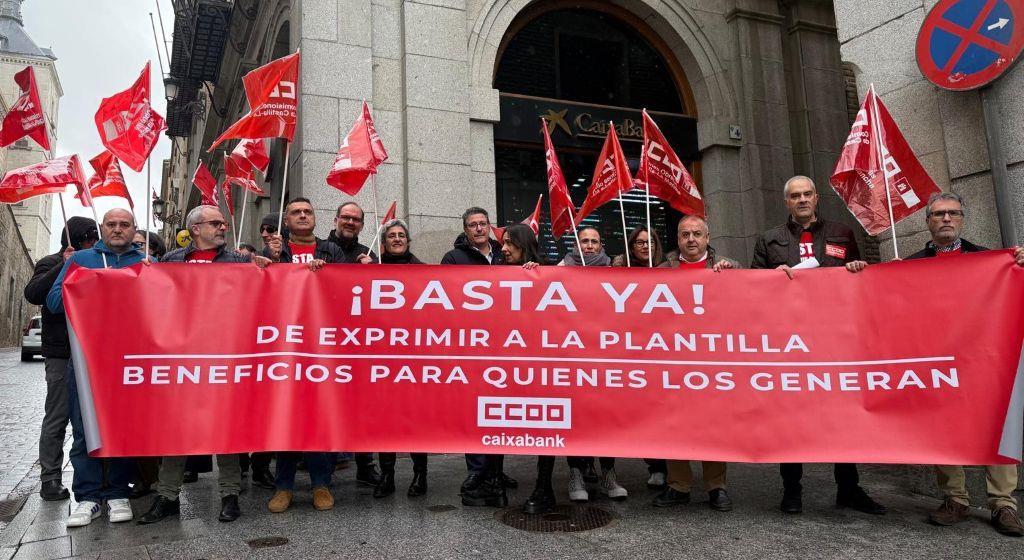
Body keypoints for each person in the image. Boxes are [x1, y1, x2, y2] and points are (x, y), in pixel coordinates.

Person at [751, 175, 882, 515]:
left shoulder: (842, 233)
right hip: (790, 341)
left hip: (834, 337)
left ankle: (848, 489)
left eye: (807, 194)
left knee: (843, 414)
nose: (802, 200)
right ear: (787, 202)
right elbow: (751, 289)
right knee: (791, 416)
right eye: (795, 196)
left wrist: (858, 267)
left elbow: (861, 284)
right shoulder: (769, 240)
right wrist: (770, 279)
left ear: (816, 198)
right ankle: (792, 489)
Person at [137, 206, 271, 525]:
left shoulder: (238, 261)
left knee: (227, 427)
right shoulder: (171, 261)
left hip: (226, 355)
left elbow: (264, 294)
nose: (223, 227)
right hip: (182, 358)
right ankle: (167, 496)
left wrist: (268, 268)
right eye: (215, 223)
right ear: (195, 228)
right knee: (177, 429)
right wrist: (146, 273)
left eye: (223, 223)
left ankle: (230, 494)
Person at [904, 192, 1024, 536]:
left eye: (953, 213)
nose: (946, 218)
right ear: (928, 221)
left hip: (984, 358)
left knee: (997, 425)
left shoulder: (992, 260)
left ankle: (1003, 503)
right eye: (938, 213)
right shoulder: (911, 264)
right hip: (937, 359)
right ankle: (955, 498)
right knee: (942, 426)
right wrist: (885, 275)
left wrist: (1019, 266)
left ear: (962, 219)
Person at [46, 209, 144, 528]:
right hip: (86, 360)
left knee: (123, 427)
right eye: (111, 224)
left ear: (133, 229)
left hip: (129, 362)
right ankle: (87, 497)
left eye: (124, 225)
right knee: (83, 428)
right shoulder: (81, 259)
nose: (117, 229)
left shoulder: (146, 263)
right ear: (102, 228)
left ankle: (118, 492)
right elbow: (54, 301)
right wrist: (92, 283)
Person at [651, 215, 738, 512]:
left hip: (713, 361)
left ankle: (716, 486)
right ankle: (679, 485)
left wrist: (732, 279)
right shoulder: (662, 271)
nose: (691, 239)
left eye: (697, 234)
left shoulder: (729, 267)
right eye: (685, 234)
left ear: (707, 238)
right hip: (674, 361)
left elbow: (747, 304)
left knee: (714, 423)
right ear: (677, 239)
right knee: (674, 423)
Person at [264, 198, 344, 513]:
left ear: (315, 218)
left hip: (322, 346)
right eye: (295, 212)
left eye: (307, 212)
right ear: (286, 221)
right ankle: (283, 487)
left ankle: (321, 484)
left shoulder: (331, 250)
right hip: (284, 345)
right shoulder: (276, 250)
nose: (302, 216)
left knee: (316, 417)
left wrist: (328, 274)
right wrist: (268, 263)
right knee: (286, 417)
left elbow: (347, 287)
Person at [461, 223, 539, 509]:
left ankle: (540, 487)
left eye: (509, 244)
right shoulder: (498, 273)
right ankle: (492, 482)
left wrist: (538, 276)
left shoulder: (543, 273)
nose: (503, 248)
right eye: (503, 243)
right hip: (498, 364)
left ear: (524, 245)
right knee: (495, 420)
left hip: (530, 364)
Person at [440, 207, 516, 497]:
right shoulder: (453, 258)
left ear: (489, 226)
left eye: (483, 223)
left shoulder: (503, 254)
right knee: (475, 409)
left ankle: (496, 469)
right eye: (473, 225)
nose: (479, 228)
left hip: (503, 342)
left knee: (498, 409)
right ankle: (476, 469)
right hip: (471, 344)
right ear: (466, 229)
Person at [23, 216, 97, 502]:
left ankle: (98, 475)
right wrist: (62, 265)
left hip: (91, 350)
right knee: (58, 414)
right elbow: (33, 293)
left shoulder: (94, 261)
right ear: (76, 238)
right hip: (61, 351)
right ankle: (50, 477)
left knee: (92, 415)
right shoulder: (50, 262)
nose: (92, 242)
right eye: (88, 238)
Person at [325, 201, 382, 486]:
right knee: (326, 402)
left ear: (361, 225)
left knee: (362, 405)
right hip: (326, 340)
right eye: (345, 217)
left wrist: (374, 271)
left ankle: (365, 464)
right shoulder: (320, 248)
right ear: (335, 219)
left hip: (359, 342)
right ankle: (324, 465)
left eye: (355, 219)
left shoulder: (369, 254)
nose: (350, 222)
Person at [372, 219, 428, 499]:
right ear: (384, 243)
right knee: (385, 420)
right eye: (391, 235)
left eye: (401, 235)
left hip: (414, 359)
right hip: (383, 358)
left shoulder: (424, 272)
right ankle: (387, 475)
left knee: (416, 420)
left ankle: (420, 475)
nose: (397, 239)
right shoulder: (372, 271)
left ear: (408, 241)